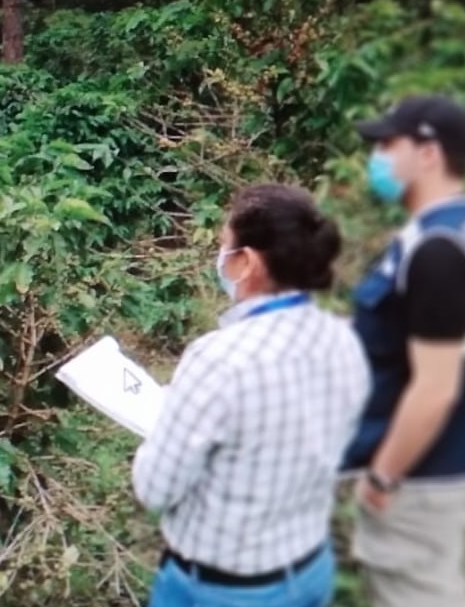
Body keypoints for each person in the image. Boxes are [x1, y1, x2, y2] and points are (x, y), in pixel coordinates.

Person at [132, 184, 371, 607]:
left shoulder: (218, 360)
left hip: (220, 591)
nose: (219, 257)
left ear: (247, 262)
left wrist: (166, 426)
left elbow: (156, 488)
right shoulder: (345, 340)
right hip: (309, 571)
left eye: (225, 246)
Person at [345, 95, 465, 607]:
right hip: (450, 465)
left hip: (422, 478)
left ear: (428, 153)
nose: (377, 156)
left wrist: (383, 476)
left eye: (387, 144)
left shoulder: (439, 251)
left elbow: (436, 387)